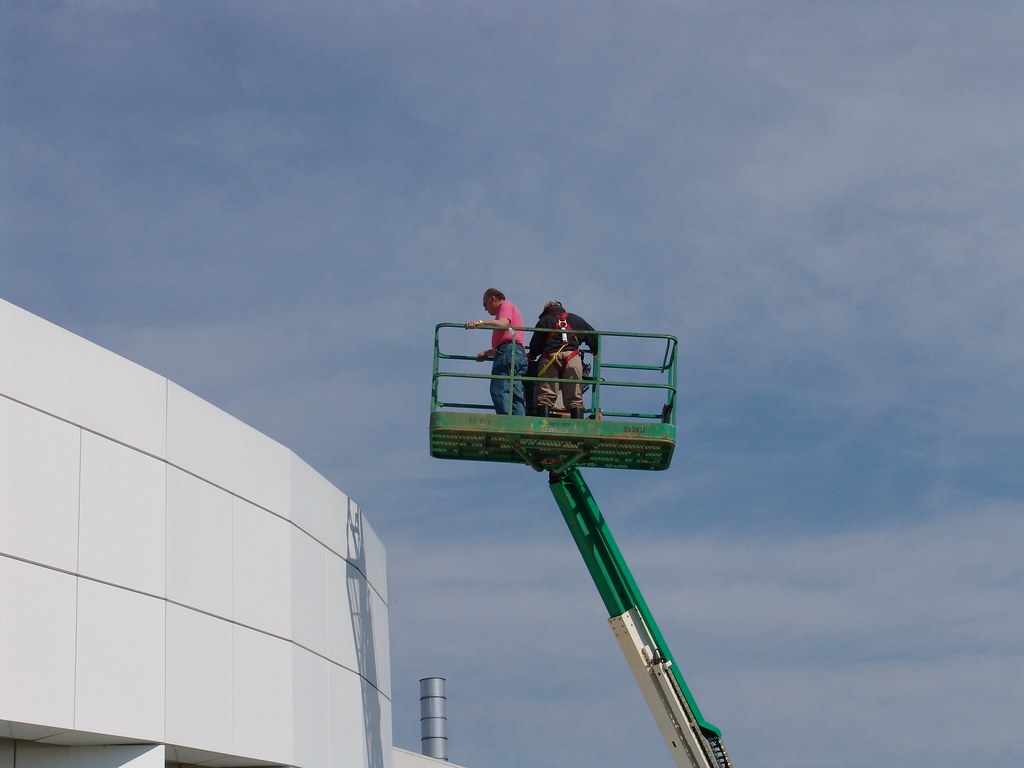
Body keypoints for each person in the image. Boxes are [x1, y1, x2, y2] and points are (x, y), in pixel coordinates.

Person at [528, 300, 597, 419]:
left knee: (546, 396)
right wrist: (594, 349)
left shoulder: (544, 320)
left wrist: (533, 354)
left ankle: (542, 425)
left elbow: (536, 344)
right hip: (572, 358)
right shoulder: (576, 319)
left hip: (550, 358)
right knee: (575, 397)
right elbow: (593, 336)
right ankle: (577, 426)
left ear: (548, 309)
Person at [465, 288, 528, 415]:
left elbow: (503, 324)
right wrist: (486, 353)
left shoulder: (505, 306)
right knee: (514, 391)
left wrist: (480, 322)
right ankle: (519, 422)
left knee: (499, 388)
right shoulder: (506, 311)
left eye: (485, 304)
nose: (485, 309)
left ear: (492, 299)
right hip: (515, 353)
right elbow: (507, 340)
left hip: (509, 352)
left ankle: (506, 421)